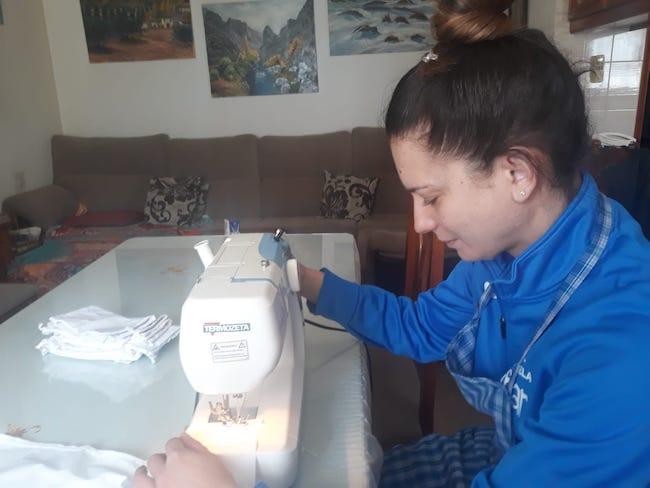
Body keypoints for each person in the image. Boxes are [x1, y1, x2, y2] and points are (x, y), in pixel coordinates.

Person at [134, 0, 650, 486]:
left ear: (517, 172)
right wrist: (308, 282)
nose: (420, 224)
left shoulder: (620, 354)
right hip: (508, 447)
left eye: (431, 196)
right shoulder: (509, 250)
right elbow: (422, 327)